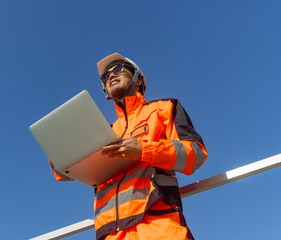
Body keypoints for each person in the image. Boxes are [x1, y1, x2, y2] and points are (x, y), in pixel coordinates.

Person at [51, 53, 208, 240]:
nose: (109, 76)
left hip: (158, 224)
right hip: (111, 233)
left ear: (137, 79)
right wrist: (60, 146)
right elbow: (62, 171)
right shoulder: (104, 133)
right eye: (104, 76)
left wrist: (144, 150)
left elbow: (195, 154)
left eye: (117, 69)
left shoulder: (164, 109)